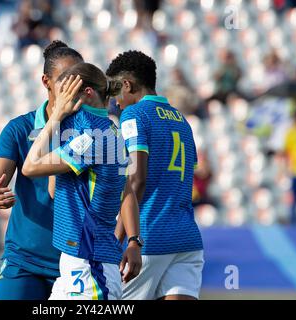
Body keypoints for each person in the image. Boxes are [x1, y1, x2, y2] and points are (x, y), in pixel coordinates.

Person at [22, 65, 142, 300]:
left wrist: (56, 117)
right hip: (76, 261)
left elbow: (30, 167)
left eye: (64, 94)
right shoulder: (110, 129)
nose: (58, 101)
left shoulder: (91, 138)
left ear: (87, 92)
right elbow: (55, 190)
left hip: (90, 267)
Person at [0, 40, 83, 300]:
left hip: (77, 263)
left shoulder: (93, 132)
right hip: (24, 259)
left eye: (78, 77)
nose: (72, 84)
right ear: (46, 81)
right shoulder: (18, 129)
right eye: (64, 78)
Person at [106, 50, 204, 300]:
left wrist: (118, 238)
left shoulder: (134, 115)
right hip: (187, 240)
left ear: (127, 85)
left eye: (115, 92)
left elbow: (137, 178)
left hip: (149, 237)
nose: (116, 101)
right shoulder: (182, 120)